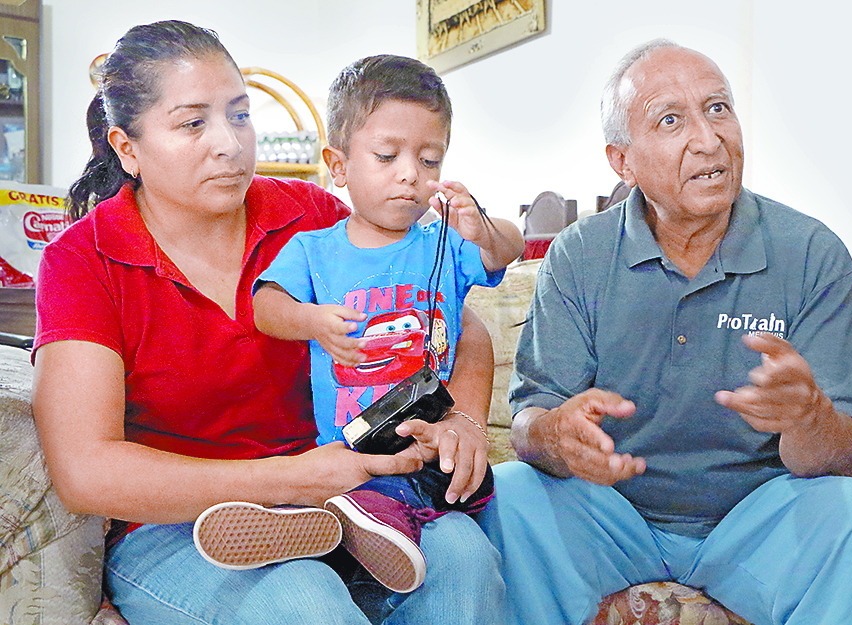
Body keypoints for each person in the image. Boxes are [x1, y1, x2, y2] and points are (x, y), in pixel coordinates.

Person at [31, 20, 505, 625]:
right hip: (180, 526)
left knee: (463, 556)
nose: (229, 144)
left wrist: (463, 419)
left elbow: (461, 327)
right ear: (128, 149)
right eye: (193, 123)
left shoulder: (309, 217)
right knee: (304, 599)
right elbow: (85, 471)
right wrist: (289, 479)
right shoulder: (82, 261)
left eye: (240, 115)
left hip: (348, 501)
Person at [478, 39, 852, 625]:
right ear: (622, 161)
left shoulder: (811, 252)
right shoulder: (578, 255)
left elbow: (842, 457)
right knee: (507, 496)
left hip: (761, 521)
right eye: (670, 120)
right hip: (612, 515)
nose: (709, 140)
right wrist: (556, 434)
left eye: (718, 108)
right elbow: (530, 423)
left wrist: (808, 417)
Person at [233, 54, 523, 594]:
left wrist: (483, 228)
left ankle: (334, 531)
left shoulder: (445, 244)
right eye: (387, 156)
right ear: (339, 166)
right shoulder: (314, 249)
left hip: (430, 442)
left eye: (429, 160)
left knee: (464, 488)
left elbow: (508, 247)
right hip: (350, 450)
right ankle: (315, 527)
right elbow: (264, 307)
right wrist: (312, 321)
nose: (410, 174)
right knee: (363, 492)